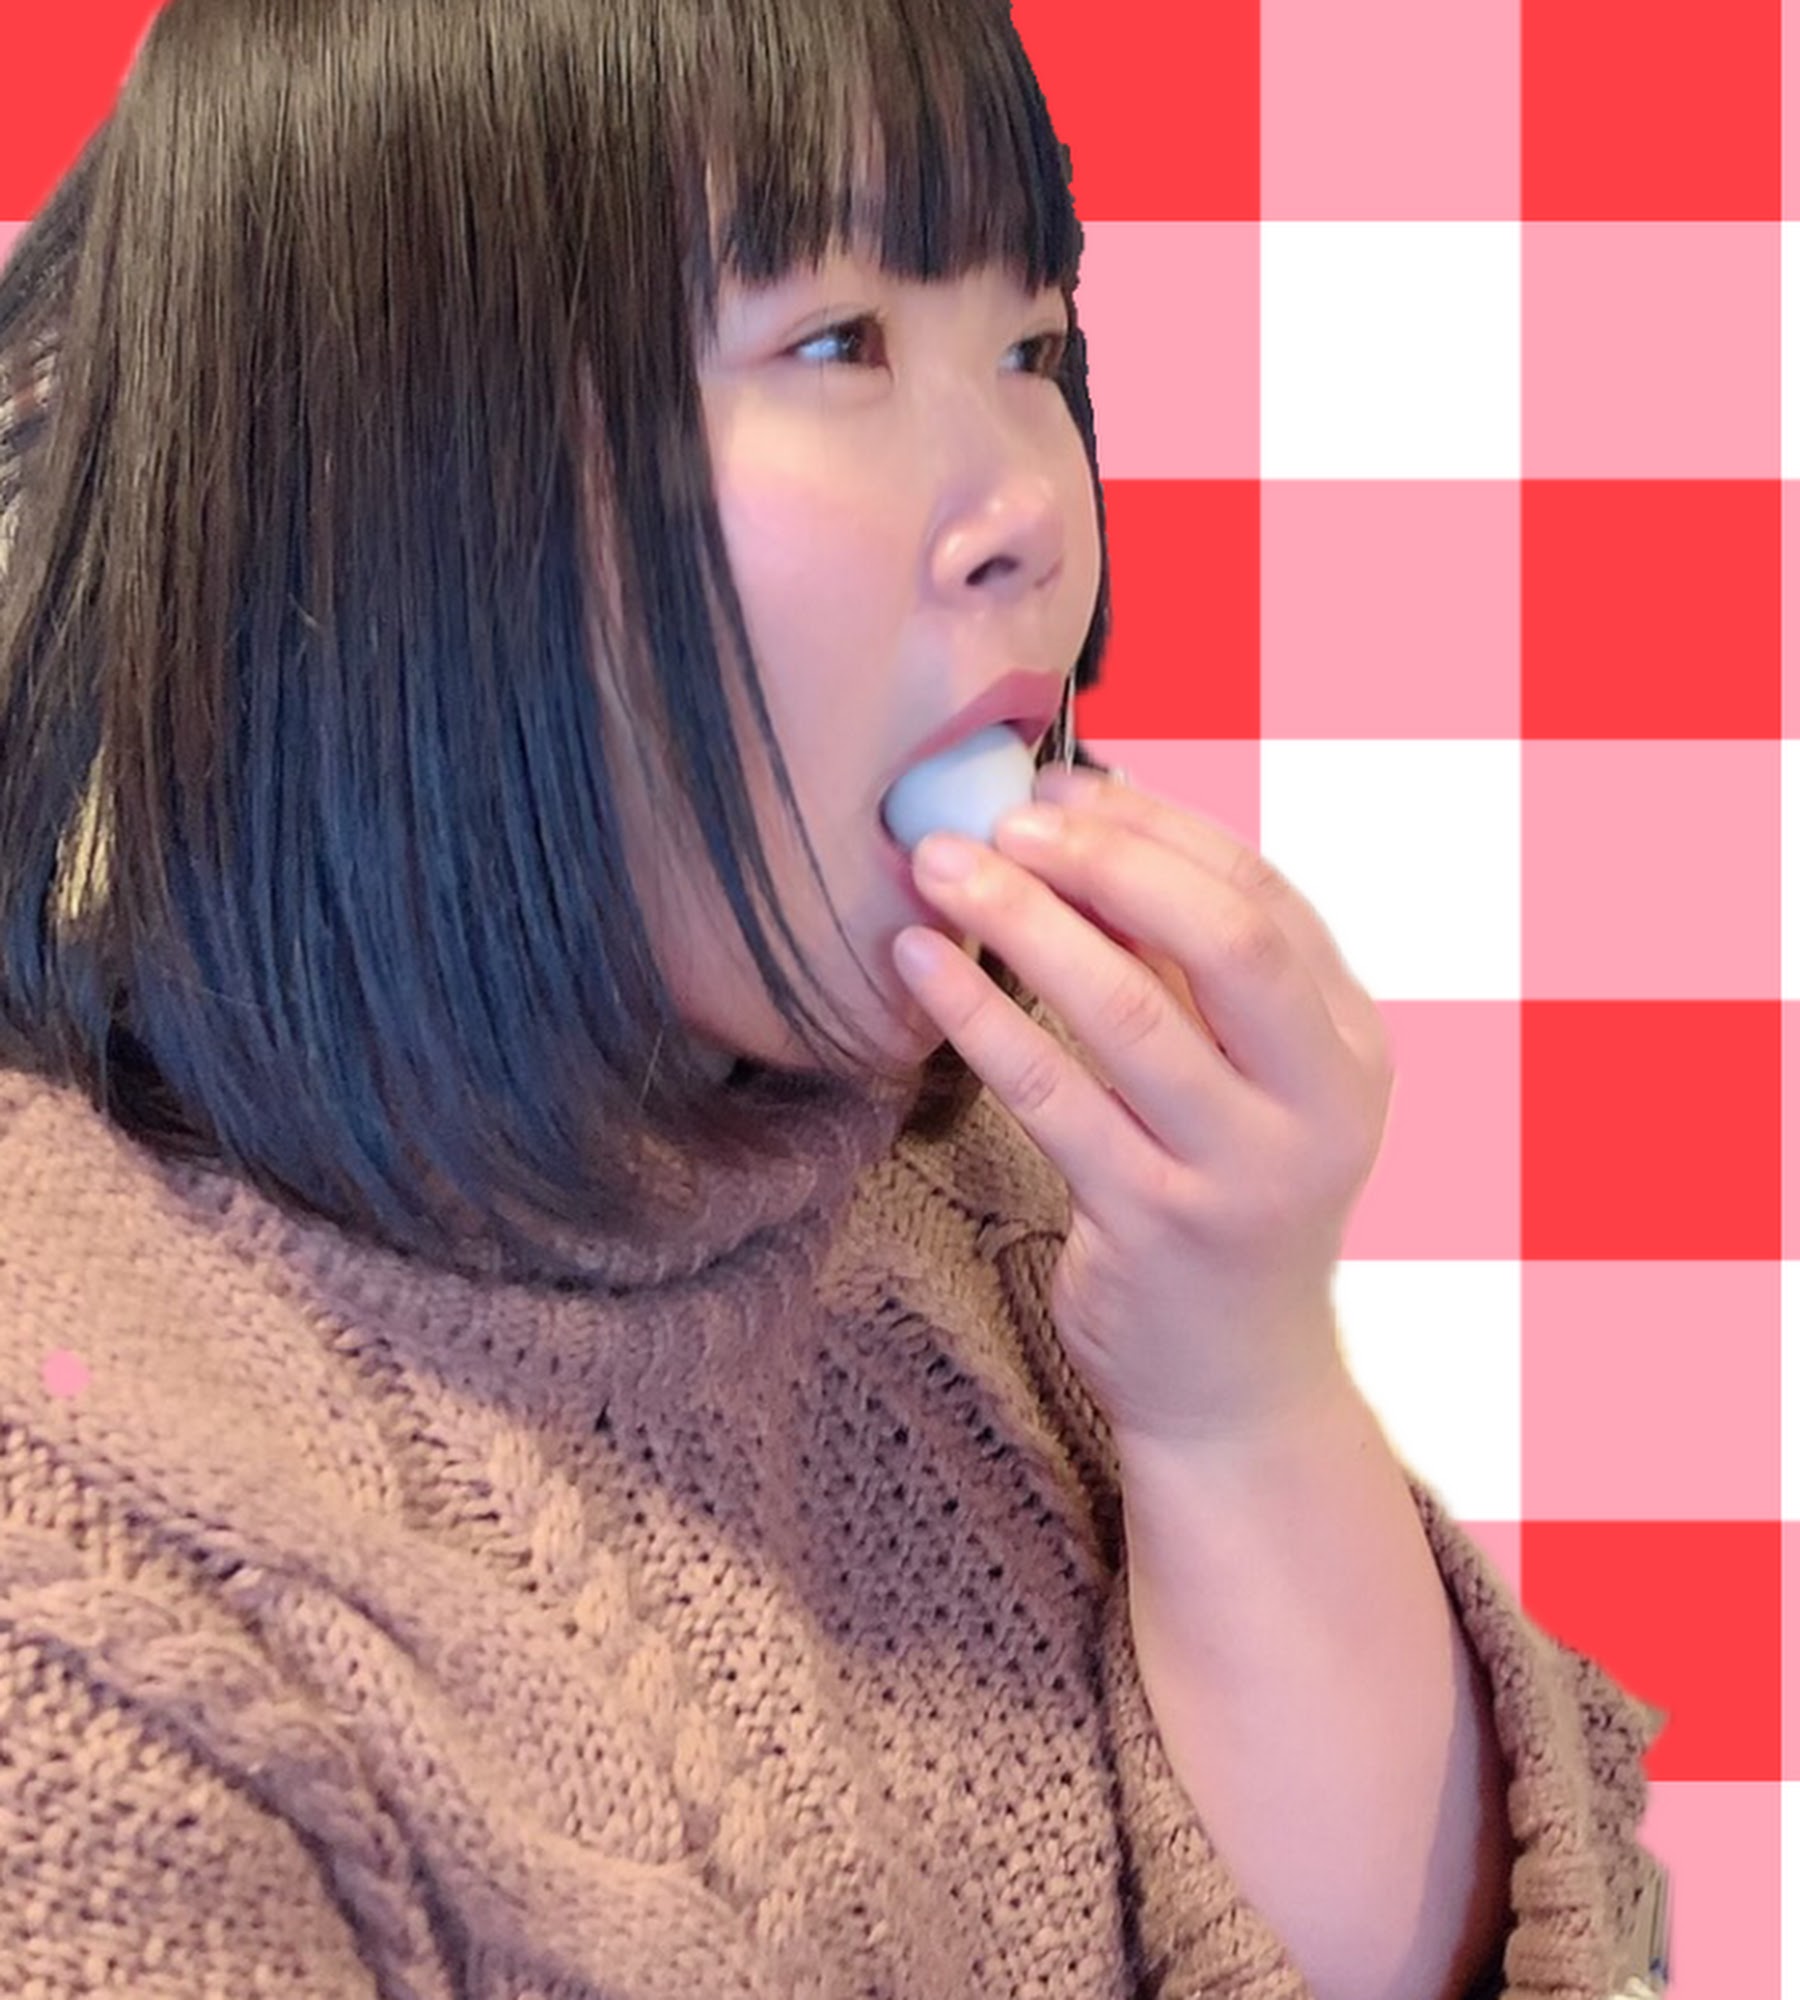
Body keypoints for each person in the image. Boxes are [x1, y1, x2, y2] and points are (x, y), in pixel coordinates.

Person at [0, 2, 1670, 1995]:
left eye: (1032, 348)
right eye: (838, 342)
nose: (1036, 510)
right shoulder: (87, 1583)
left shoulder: (1004, 1202)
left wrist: (1241, 1378)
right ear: (383, 493)